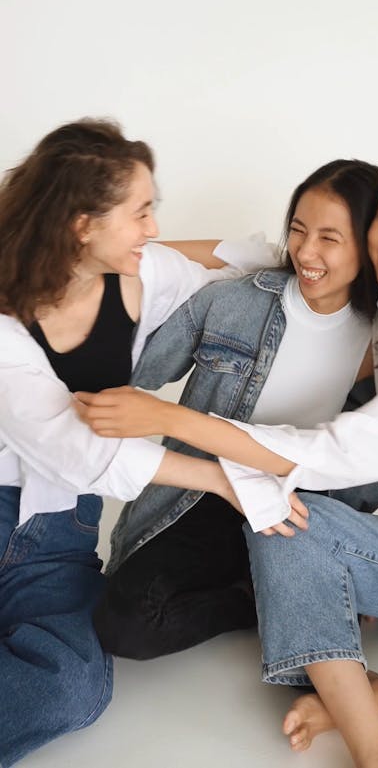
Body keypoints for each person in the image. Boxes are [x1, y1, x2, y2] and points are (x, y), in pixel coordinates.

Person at [77, 145, 378, 768]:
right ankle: (364, 729)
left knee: (290, 507)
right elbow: (245, 256)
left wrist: (171, 418)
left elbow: (336, 456)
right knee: (284, 525)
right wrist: (106, 253)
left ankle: (358, 705)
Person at [0, 117, 281, 767]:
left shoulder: (142, 276)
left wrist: (300, 253)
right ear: (81, 223)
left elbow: (219, 271)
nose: (153, 227)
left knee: (74, 685)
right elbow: (78, 446)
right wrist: (224, 477)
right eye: (141, 211)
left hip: (57, 534)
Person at [89, 158, 378, 660]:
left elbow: (375, 465)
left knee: (313, 661)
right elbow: (131, 374)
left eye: (330, 237)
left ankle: (284, 590)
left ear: (368, 246)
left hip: (304, 508)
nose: (306, 251)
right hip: (212, 491)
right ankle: (248, 601)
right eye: (298, 230)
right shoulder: (235, 302)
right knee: (124, 623)